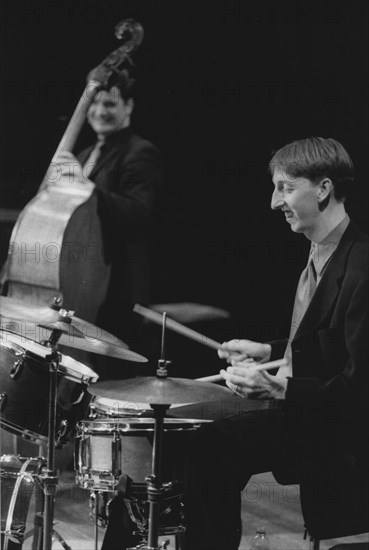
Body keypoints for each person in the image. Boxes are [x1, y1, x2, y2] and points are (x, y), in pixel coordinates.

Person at [183, 137, 368, 549]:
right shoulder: (324, 252)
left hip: (342, 431)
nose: (273, 202)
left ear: (323, 189)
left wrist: (279, 387)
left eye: (285, 187)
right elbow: (330, 335)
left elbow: (361, 388)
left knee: (210, 445)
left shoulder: (362, 268)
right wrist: (270, 352)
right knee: (197, 434)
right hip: (314, 412)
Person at [49, 69, 163, 377]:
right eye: (95, 103)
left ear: (129, 107)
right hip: (81, 280)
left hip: (117, 288)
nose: (100, 111)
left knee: (111, 380)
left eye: (111, 104)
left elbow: (137, 214)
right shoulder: (85, 154)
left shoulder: (140, 152)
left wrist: (86, 186)